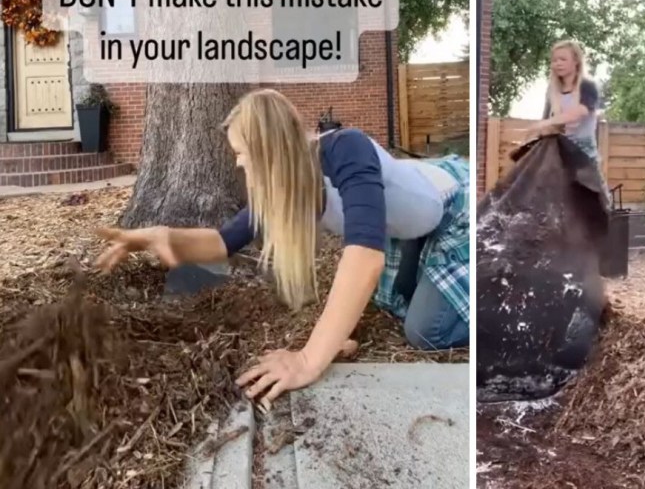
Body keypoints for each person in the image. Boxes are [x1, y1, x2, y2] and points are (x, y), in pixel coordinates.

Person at [94, 89, 470, 407]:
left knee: (424, 332)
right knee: (390, 305)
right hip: (405, 232)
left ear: (268, 148)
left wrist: (309, 359)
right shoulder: (284, 189)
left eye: (241, 152)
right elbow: (224, 242)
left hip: (456, 212)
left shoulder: (345, 149)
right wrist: (163, 237)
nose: (239, 163)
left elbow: (364, 258)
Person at [530, 39, 602, 163]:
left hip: (584, 156)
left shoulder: (587, 86)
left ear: (576, 62)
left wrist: (547, 123)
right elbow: (546, 121)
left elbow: (580, 112)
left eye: (563, 59)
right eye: (554, 60)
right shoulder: (552, 91)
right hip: (559, 154)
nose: (558, 63)